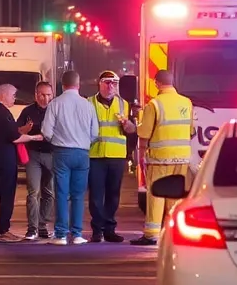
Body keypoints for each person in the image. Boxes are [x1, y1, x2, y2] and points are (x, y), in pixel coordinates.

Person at [130, 69, 194, 247]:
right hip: (181, 158)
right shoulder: (186, 103)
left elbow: (144, 132)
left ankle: (151, 234)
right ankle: (175, 232)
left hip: (160, 158)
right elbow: (191, 130)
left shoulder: (155, 105)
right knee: (176, 197)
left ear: (157, 83)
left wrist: (137, 121)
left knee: (156, 195)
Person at [0, 83, 43, 241]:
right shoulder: (3, 113)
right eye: (13, 95)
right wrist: (35, 137)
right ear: (3, 95)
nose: (14, 98)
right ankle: (3, 229)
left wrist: (21, 130)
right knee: (7, 194)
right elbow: (14, 137)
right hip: (4, 160)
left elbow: (5, 132)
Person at [41, 70, 99, 245]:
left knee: (61, 193)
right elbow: (95, 133)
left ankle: (61, 235)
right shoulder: (88, 105)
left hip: (62, 152)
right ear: (78, 84)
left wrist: (56, 140)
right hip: (82, 153)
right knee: (78, 195)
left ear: (62, 85)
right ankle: (77, 234)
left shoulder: (55, 104)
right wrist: (84, 142)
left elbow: (46, 131)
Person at [87, 70, 136, 243]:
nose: (111, 86)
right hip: (95, 155)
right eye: (107, 82)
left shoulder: (124, 104)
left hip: (116, 156)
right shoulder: (88, 103)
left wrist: (128, 125)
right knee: (95, 196)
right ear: (99, 84)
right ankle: (97, 230)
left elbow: (132, 130)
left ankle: (109, 229)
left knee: (113, 195)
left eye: (114, 83)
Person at [16, 81, 56, 240]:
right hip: (33, 154)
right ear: (36, 95)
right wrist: (26, 129)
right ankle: (32, 228)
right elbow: (18, 131)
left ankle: (42, 225)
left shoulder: (56, 110)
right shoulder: (27, 111)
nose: (45, 99)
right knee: (33, 191)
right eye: (42, 95)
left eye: (48, 95)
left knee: (49, 192)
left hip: (52, 154)